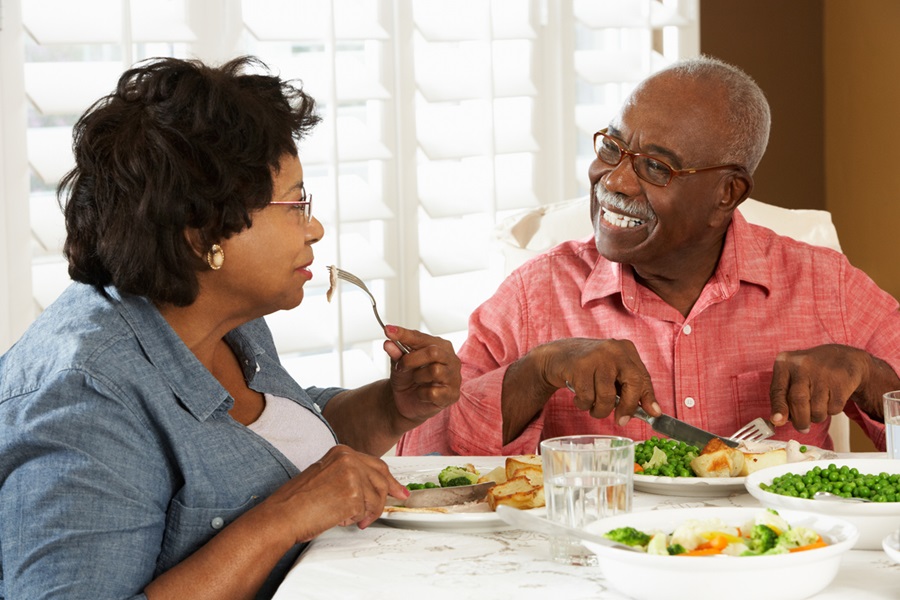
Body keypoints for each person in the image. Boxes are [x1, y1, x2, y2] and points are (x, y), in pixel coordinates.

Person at [0, 56, 461, 599]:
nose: (314, 227)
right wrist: (282, 518)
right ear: (202, 234)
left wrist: (391, 408)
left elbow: (272, 445)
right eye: (294, 203)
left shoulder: (220, 319)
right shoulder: (83, 400)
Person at [396, 55, 900, 457]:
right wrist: (537, 371)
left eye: (656, 167)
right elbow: (420, 454)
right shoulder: (535, 295)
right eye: (613, 149)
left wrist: (868, 375)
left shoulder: (823, 285)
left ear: (727, 193)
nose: (613, 181)